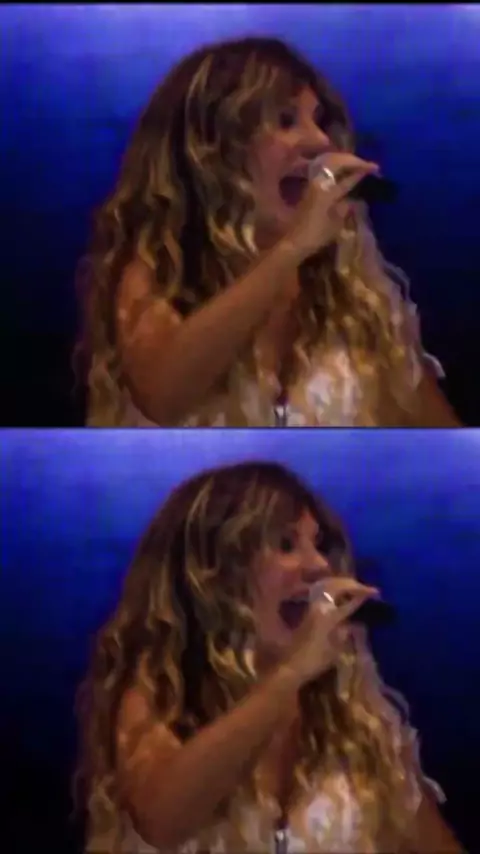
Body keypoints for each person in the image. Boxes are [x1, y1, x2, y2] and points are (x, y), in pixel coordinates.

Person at [76, 461, 462, 853]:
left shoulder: (356, 719)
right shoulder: (161, 695)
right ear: (213, 576)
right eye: (286, 544)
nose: (319, 565)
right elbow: (161, 822)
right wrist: (292, 672)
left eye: (319, 545)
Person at [76, 36, 461, 427]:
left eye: (319, 121)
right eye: (286, 120)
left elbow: (445, 438)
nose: (320, 141)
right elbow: (163, 397)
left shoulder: (354, 290)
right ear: (212, 153)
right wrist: (293, 248)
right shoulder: (159, 270)